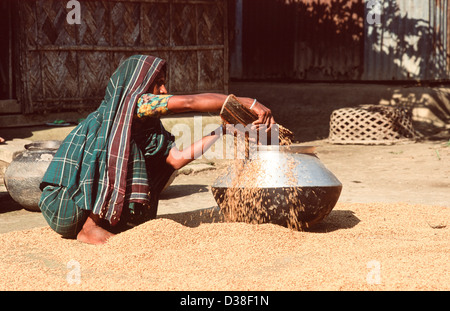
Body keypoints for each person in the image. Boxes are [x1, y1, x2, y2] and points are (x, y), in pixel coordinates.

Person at [38, 55, 276, 245]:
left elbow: (174, 160)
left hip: (94, 212)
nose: (163, 90)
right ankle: (89, 228)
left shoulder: (148, 125)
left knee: (137, 150)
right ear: (137, 85)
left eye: (163, 82)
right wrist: (244, 101)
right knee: (119, 144)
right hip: (66, 205)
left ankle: (99, 222)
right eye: (158, 83)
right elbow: (189, 103)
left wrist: (221, 131)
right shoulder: (122, 112)